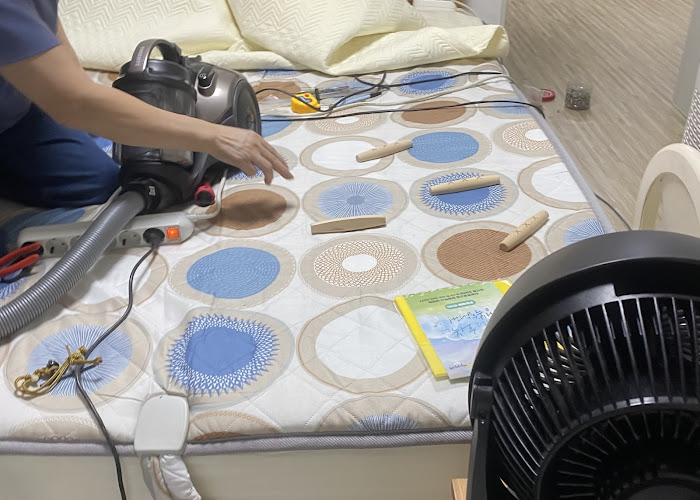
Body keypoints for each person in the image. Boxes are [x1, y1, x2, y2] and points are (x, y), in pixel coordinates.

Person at [0, 0, 292, 209]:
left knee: (98, 183)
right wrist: (214, 137)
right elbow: (75, 104)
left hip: (19, 114)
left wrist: (80, 95)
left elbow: (53, 42)